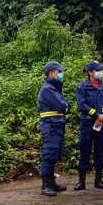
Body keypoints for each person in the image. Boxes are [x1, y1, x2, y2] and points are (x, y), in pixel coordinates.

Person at [74, 61, 103, 190]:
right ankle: (81, 181)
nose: (101, 72)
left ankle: (99, 179)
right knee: (84, 151)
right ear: (90, 72)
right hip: (87, 123)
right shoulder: (82, 87)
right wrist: (97, 115)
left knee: (99, 151)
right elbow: (82, 105)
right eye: (98, 70)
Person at [38, 60, 70, 197]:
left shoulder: (54, 87)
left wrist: (66, 106)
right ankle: (45, 185)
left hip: (56, 124)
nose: (61, 74)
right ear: (52, 73)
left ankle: (51, 183)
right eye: (59, 72)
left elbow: (65, 106)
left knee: (55, 154)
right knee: (49, 154)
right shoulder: (48, 89)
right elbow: (63, 106)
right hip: (51, 125)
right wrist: (65, 106)